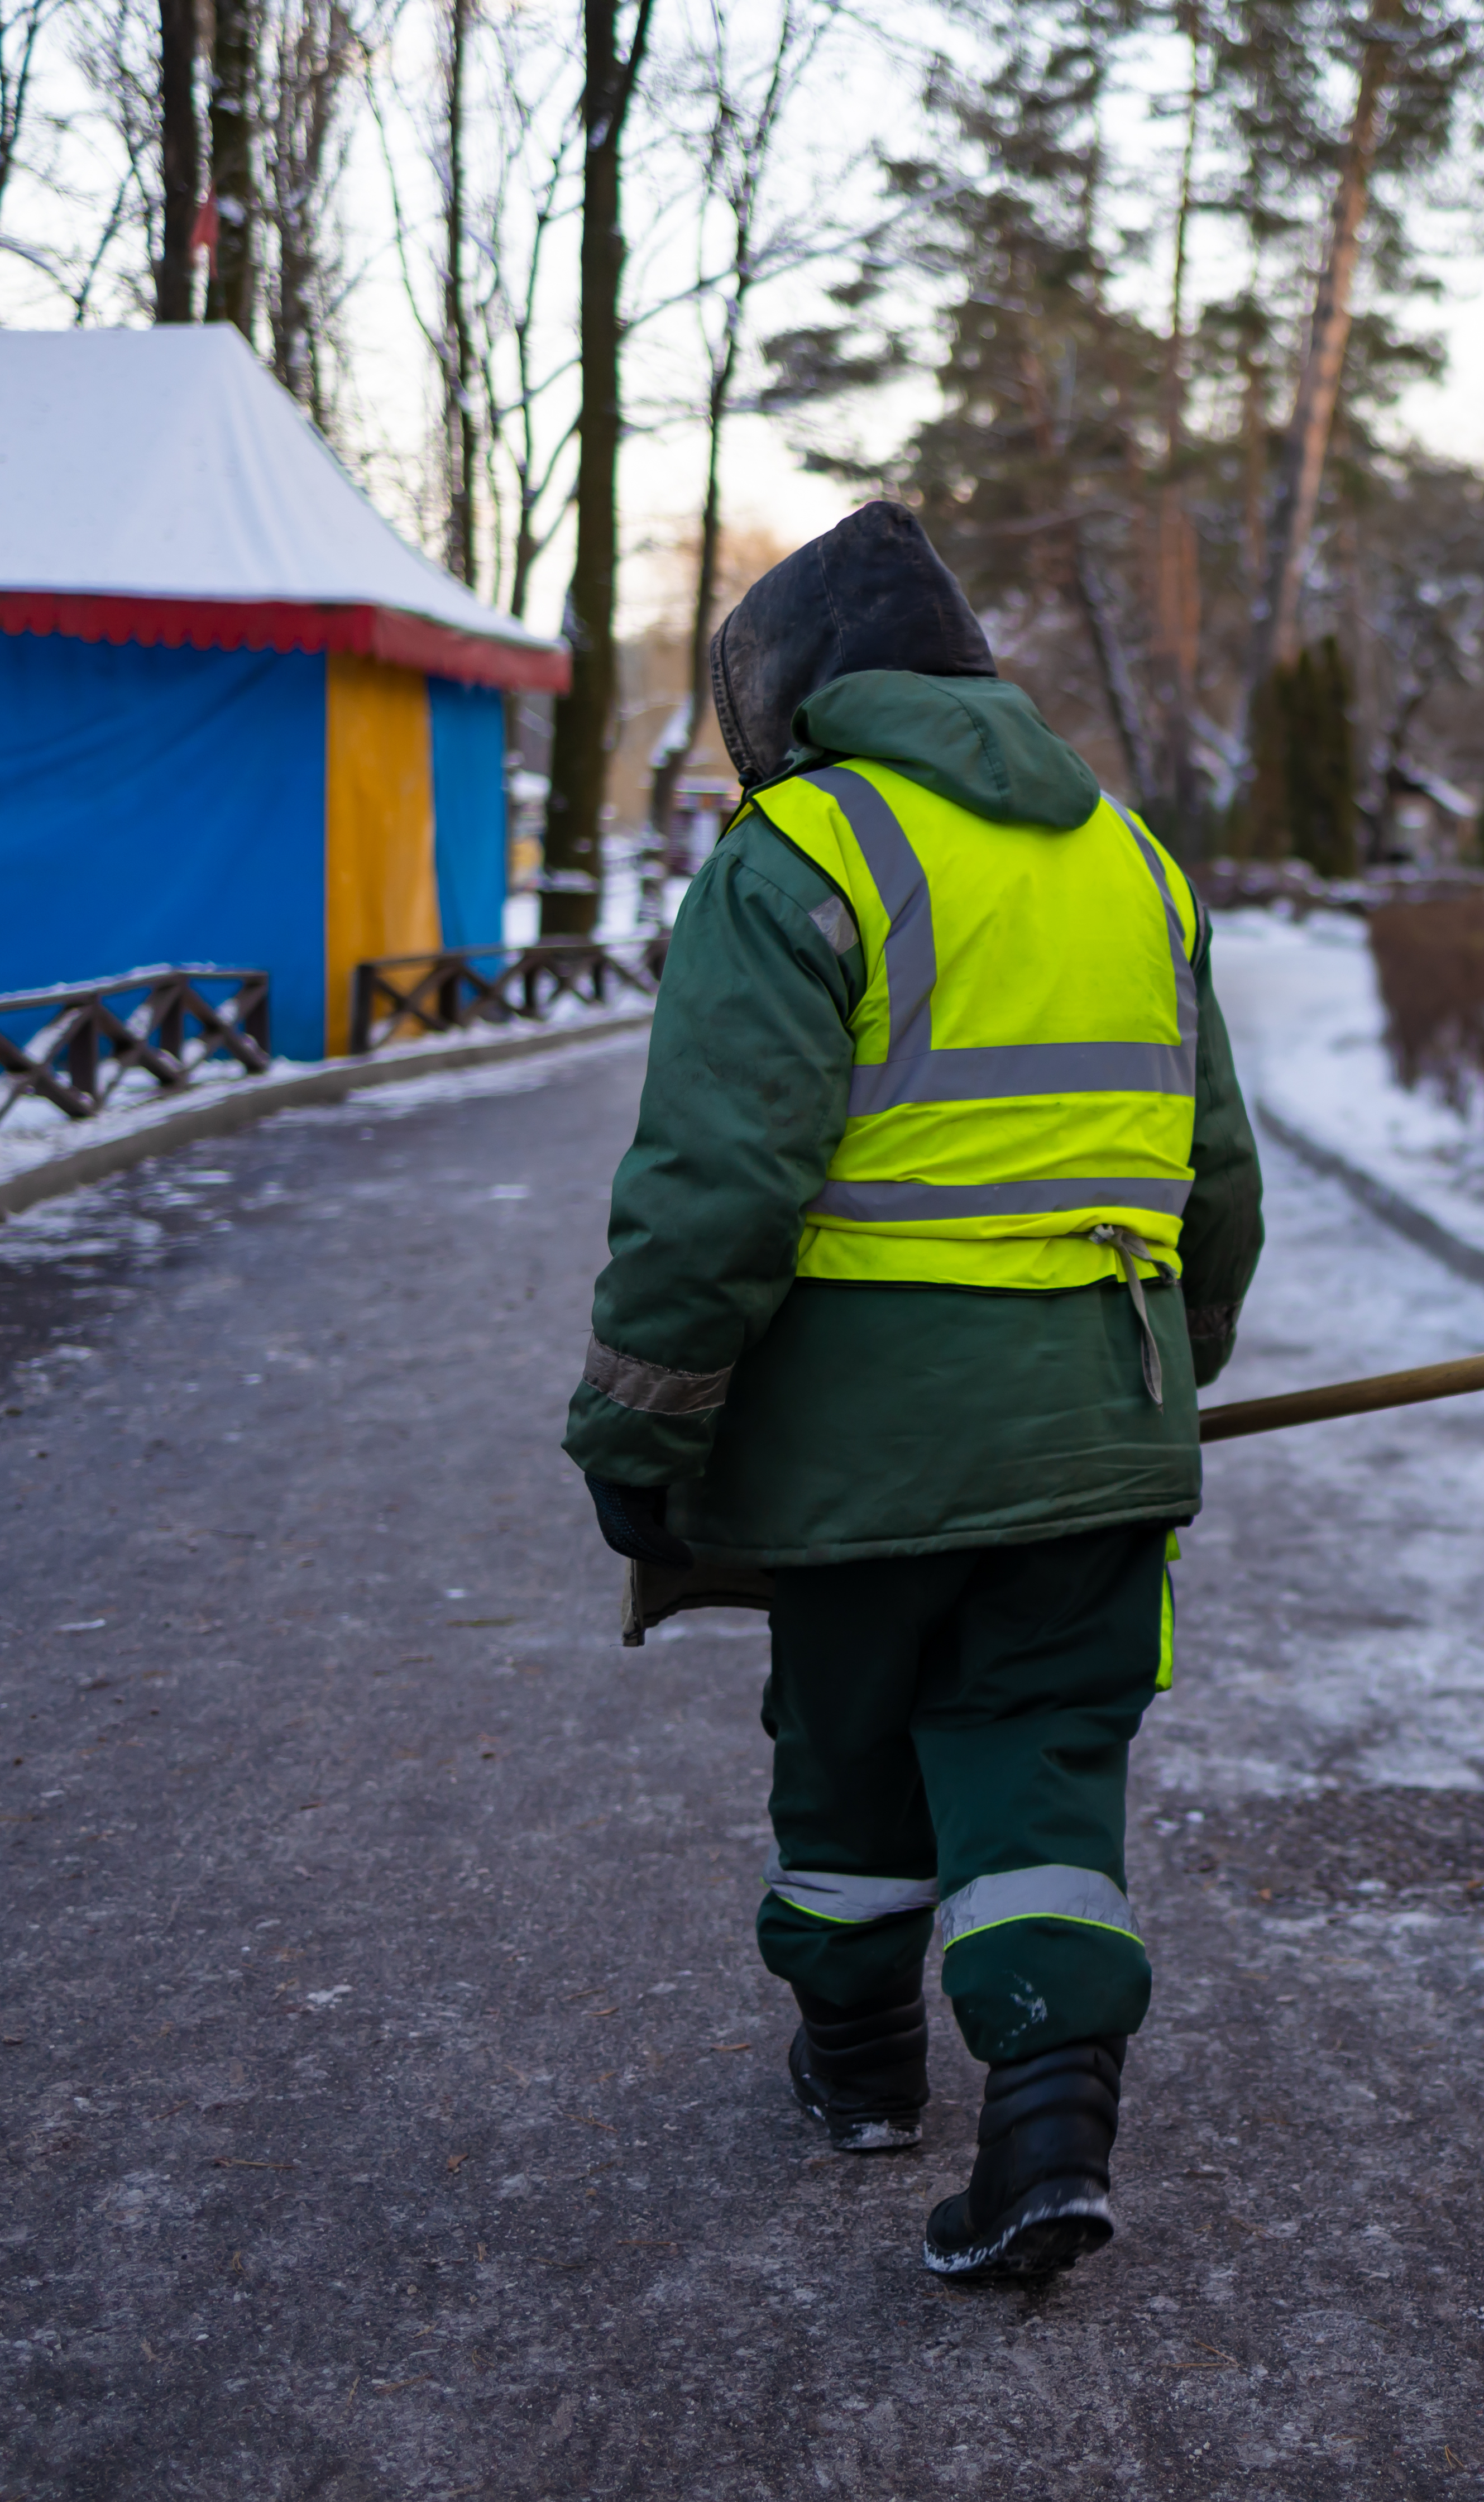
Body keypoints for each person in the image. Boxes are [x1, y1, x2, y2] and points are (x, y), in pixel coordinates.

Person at [561, 502, 1263, 2279]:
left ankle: (862, 2069)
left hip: (858, 1453)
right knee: (1042, 1763)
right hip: (1092, 1433)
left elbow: (718, 1185)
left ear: (792, 692)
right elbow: (1218, 1182)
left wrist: (643, 1426)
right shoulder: (1134, 861)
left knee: (852, 1745)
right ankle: (1044, 2130)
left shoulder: (799, 854)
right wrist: (1164, 1381)